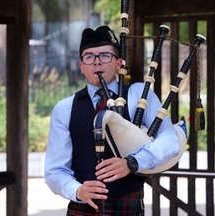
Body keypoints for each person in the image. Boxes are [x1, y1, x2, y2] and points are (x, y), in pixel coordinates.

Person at [44, 25, 180, 215]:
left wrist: (133, 162)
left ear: (118, 63)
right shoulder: (65, 108)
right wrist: (77, 190)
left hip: (127, 203)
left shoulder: (140, 94)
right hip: (82, 207)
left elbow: (170, 140)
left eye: (105, 55)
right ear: (82, 66)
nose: (97, 62)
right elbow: (55, 170)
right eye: (89, 57)